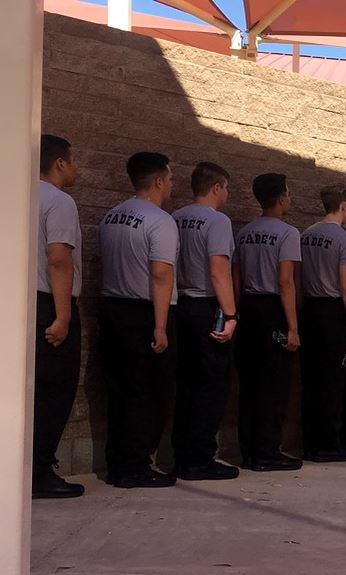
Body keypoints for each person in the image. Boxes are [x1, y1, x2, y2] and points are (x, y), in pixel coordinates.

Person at [96, 152, 178, 488]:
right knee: (149, 392)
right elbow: (161, 274)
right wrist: (160, 326)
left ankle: (119, 462)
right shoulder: (160, 221)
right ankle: (135, 466)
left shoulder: (111, 216)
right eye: (171, 179)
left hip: (112, 308)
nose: (172, 185)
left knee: (120, 391)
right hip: (145, 312)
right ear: (158, 180)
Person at [171, 161, 240, 481]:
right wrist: (230, 314)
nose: (226, 195)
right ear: (216, 187)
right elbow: (218, 270)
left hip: (179, 306)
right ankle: (199, 459)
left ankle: (182, 455)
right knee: (210, 387)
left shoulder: (176, 217)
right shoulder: (217, 221)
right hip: (206, 308)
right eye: (226, 189)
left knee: (184, 386)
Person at [232, 173, 302, 471]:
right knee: (274, 385)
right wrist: (293, 327)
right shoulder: (288, 233)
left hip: (247, 308)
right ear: (282, 197)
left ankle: (248, 451)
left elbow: (236, 276)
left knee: (249, 383)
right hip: (273, 309)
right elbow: (286, 282)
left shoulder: (244, 232)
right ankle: (267, 452)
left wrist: (235, 312)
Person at [32, 135, 85, 499]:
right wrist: (63, 316)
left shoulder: (15, 192)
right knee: (53, 390)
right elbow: (59, 259)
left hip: (18, 302)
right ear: (61, 163)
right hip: (48, 303)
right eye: (74, 160)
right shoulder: (59, 201)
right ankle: (38, 473)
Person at [299, 183, 346, 463]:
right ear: (345, 205)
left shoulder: (306, 234)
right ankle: (328, 443)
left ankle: (310, 442)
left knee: (311, 380)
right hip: (333, 311)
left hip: (310, 308)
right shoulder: (345, 240)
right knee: (333, 381)